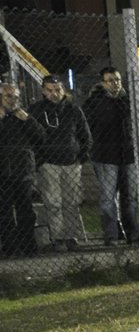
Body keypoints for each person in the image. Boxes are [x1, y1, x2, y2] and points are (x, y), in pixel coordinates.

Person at [81, 67, 139, 245]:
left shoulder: (126, 100)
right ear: (102, 83)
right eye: (111, 80)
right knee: (108, 197)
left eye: (117, 80)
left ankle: (133, 232)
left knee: (130, 196)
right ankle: (111, 233)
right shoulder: (94, 102)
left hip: (127, 154)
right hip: (105, 155)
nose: (115, 84)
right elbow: (87, 129)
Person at [33, 74, 92, 250]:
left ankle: (72, 237)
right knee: (53, 203)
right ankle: (58, 237)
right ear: (44, 91)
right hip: (48, 163)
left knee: (71, 202)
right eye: (50, 90)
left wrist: (82, 157)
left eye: (57, 89)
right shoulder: (36, 110)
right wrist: (40, 160)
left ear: (63, 90)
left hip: (71, 162)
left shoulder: (73, 110)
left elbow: (85, 134)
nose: (54, 94)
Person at [0, 82, 45, 258]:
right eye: (8, 96)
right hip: (3, 171)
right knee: (5, 212)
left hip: (23, 170)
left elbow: (41, 136)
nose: (13, 100)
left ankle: (28, 246)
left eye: (16, 97)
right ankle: (10, 248)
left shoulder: (24, 116)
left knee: (25, 210)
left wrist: (28, 120)